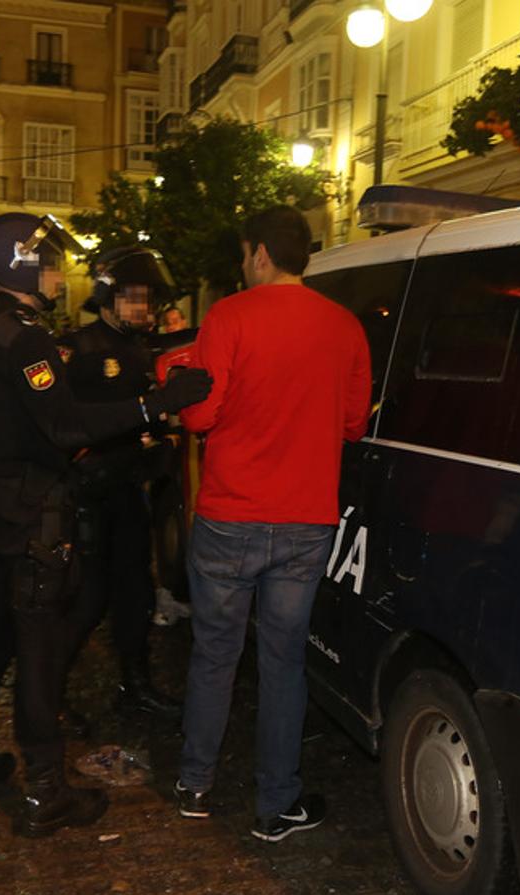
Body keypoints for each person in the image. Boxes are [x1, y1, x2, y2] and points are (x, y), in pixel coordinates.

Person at [0, 211, 211, 838]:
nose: (61, 274)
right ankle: (45, 791)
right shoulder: (26, 337)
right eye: (52, 262)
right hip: (31, 509)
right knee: (37, 646)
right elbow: (61, 427)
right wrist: (155, 404)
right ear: (23, 265)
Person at [174, 206, 370, 841]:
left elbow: (199, 417)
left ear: (259, 254)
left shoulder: (229, 315)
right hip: (304, 521)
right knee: (284, 661)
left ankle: (196, 786)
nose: (242, 264)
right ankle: (275, 805)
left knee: (214, 653)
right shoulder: (345, 327)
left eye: (243, 254)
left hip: (230, 515)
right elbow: (352, 424)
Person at [58, 246, 180, 720]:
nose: (142, 309)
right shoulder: (77, 349)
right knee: (86, 600)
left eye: (147, 300)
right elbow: (65, 425)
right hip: (88, 495)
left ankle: (136, 682)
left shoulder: (141, 349)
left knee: (137, 594)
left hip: (129, 491)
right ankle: (50, 695)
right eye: (132, 298)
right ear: (107, 298)